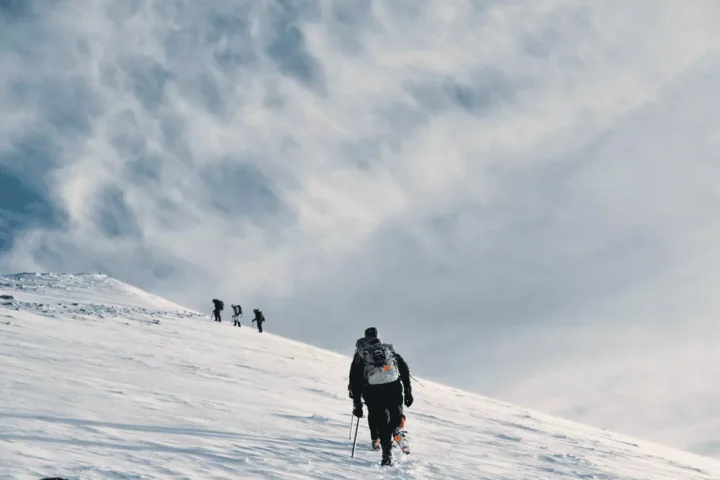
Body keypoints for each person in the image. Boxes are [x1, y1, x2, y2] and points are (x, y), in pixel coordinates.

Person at [349, 327, 413, 466]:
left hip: (372, 392)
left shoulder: (361, 354)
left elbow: (355, 379)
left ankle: (386, 456)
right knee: (396, 413)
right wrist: (408, 391)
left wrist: (357, 403)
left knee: (381, 422)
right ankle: (397, 429)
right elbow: (403, 368)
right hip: (394, 387)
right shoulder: (387, 349)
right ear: (378, 336)